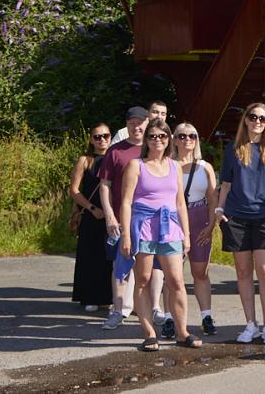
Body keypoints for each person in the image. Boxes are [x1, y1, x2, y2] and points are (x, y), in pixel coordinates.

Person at [115, 119, 201, 351]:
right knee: (143, 279)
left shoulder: (174, 166)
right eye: (152, 136)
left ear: (168, 139)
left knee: (176, 281)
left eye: (162, 136)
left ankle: (182, 332)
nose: (157, 140)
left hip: (170, 227)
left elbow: (180, 203)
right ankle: (149, 332)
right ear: (146, 139)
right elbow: (125, 202)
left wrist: (186, 234)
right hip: (143, 227)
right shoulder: (136, 165)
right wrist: (126, 236)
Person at [216, 103, 265, 345]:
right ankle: (251, 324)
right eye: (253, 117)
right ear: (245, 120)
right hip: (236, 216)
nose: (257, 121)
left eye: (262, 118)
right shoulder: (234, 149)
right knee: (243, 271)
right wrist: (219, 209)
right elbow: (225, 184)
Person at [111, 100, 169, 323]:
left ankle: (155, 309)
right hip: (135, 220)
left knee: (159, 270)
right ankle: (122, 310)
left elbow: (176, 198)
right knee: (130, 269)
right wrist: (119, 223)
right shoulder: (126, 154)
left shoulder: (167, 157)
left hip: (163, 223)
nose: (157, 139)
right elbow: (120, 195)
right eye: (132, 123)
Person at [98, 105, 150, 330]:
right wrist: (109, 215)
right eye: (132, 123)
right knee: (121, 267)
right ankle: (117, 311)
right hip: (121, 219)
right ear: (127, 124)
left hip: (149, 220)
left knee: (152, 269)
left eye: (140, 122)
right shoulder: (115, 151)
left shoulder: (155, 149)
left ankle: (152, 310)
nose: (136, 126)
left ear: (147, 124)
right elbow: (105, 185)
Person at [172, 122, 219, 336]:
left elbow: (212, 198)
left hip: (199, 217)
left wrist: (211, 225)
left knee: (200, 271)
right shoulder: (167, 165)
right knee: (172, 275)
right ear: (174, 140)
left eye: (192, 135)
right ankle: (170, 318)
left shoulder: (205, 166)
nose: (187, 139)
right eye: (182, 136)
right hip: (173, 220)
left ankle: (206, 315)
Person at [70, 123, 113, 312]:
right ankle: (89, 297)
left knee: (109, 257)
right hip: (90, 214)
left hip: (112, 214)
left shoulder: (115, 158)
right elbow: (74, 190)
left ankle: (108, 297)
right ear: (91, 140)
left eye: (105, 136)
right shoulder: (85, 160)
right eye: (97, 137)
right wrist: (91, 207)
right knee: (90, 256)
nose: (102, 140)